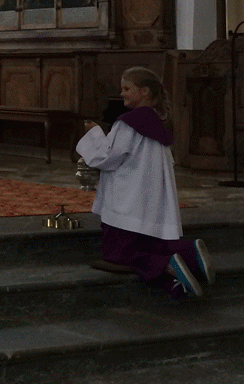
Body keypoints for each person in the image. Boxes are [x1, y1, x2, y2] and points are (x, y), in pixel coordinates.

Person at [76, 67, 214, 300]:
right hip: (147, 197)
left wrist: (95, 134)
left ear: (145, 91)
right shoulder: (157, 120)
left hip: (126, 199)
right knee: (148, 244)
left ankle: (171, 266)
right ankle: (189, 255)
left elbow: (108, 158)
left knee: (117, 255)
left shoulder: (129, 122)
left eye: (127, 88)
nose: (122, 93)